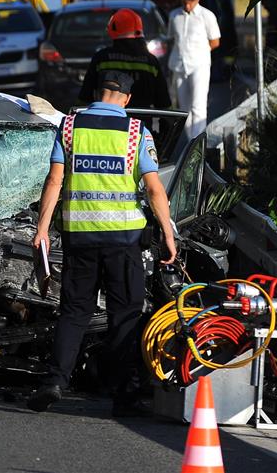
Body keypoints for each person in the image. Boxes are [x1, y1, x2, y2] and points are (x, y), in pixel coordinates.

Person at [27, 70, 177, 417]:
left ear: (97, 92)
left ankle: (54, 381)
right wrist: (168, 233)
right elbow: (154, 188)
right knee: (124, 316)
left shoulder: (69, 126)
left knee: (74, 312)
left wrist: (42, 230)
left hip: (79, 237)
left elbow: (54, 180)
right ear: (126, 99)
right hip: (123, 242)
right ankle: (124, 395)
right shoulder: (136, 131)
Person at [78, 8, 171, 111]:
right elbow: (163, 102)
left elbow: (85, 97)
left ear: (113, 29)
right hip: (141, 124)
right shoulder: (151, 62)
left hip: (109, 122)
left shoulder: (101, 58)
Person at [167, 0, 221, 139]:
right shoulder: (174, 15)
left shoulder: (207, 15)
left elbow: (215, 41)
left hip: (200, 64)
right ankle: (192, 141)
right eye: (184, 2)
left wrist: (200, 52)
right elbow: (172, 38)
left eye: (190, 2)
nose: (187, 5)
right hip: (179, 64)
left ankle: (198, 145)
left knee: (198, 105)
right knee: (184, 108)